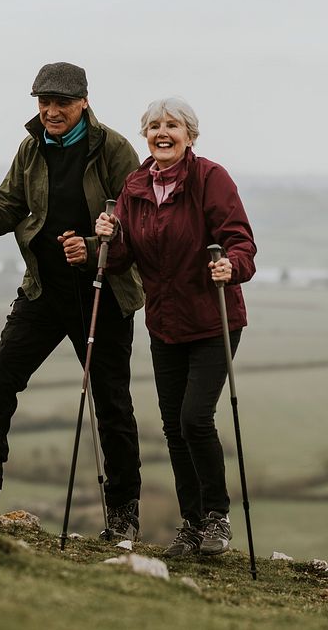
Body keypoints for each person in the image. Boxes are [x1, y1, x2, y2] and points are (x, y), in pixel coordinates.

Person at [0, 62, 145, 540]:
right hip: (43, 289)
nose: (51, 111)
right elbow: (10, 207)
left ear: (83, 102)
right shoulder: (32, 147)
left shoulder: (115, 149)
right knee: (0, 380)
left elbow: (138, 226)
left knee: (112, 402)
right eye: (43, 102)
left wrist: (92, 250)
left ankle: (122, 514)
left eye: (61, 102)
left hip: (103, 292)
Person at [91, 97, 256, 557]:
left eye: (173, 126)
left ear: (190, 135)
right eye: (154, 126)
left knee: (194, 419)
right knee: (173, 426)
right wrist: (110, 236)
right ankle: (193, 523)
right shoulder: (136, 185)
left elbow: (240, 238)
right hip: (163, 323)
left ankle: (217, 519)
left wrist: (232, 265)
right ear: (145, 135)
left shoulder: (210, 179)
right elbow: (123, 259)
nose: (162, 133)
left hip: (212, 320)